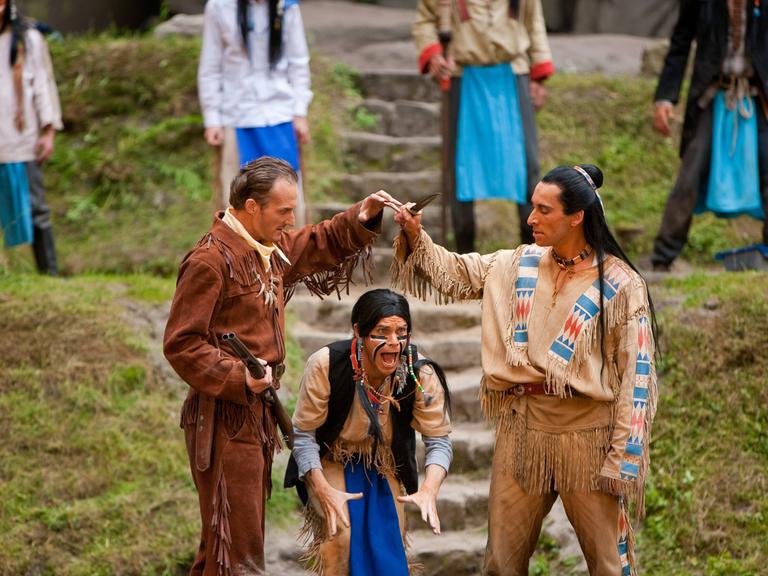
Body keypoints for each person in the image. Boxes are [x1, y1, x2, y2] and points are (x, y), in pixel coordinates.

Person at [392, 164, 658, 575]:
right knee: (501, 561)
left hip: (586, 439)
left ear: (577, 216)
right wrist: (414, 235)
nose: (530, 218)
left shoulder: (622, 285)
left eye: (543, 210)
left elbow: (637, 378)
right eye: (532, 207)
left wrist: (623, 458)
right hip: (521, 431)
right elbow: (454, 273)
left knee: (608, 564)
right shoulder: (517, 263)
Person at [163, 157, 399, 576]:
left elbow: (314, 241)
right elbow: (182, 343)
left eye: (293, 210)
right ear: (251, 206)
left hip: (253, 416)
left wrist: (359, 218)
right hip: (223, 420)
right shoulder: (210, 261)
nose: (291, 220)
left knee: (226, 543)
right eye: (284, 211)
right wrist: (239, 376)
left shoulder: (266, 249)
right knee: (235, 549)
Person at [284, 288, 452, 576]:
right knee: (340, 538)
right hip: (332, 457)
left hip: (383, 458)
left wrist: (429, 489)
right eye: (381, 332)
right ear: (358, 332)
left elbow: (438, 439)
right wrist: (323, 490)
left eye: (402, 332)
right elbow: (304, 436)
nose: (393, 343)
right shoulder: (326, 365)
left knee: (387, 546)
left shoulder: (418, 372)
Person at [412, 0, 554, 253]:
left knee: (527, 170)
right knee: (460, 172)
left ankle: (534, 255)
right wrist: (433, 53)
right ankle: (465, 258)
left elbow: (533, 21)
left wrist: (538, 75)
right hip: (463, 76)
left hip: (513, 73)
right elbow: (425, 21)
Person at [651, 0, 768, 271]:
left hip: (758, 96)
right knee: (690, 175)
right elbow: (680, 42)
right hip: (712, 94)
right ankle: (662, 257)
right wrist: (665, 98)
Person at [198, 0, 312, 222]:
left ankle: (289, 254)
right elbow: (211, 66)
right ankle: (240, 256)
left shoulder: (287, 7)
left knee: (289, 204)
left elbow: (298, 62)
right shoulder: (220, 6)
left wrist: (300, 113)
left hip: (280, 114)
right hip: (238, 115)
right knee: (236, 203)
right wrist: (212, 118)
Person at [0, 0, 62, 274]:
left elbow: (43, 86)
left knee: (37, 211)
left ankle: (49, 274)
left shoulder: (29, 38)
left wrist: (48, 131)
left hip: (21, 139)